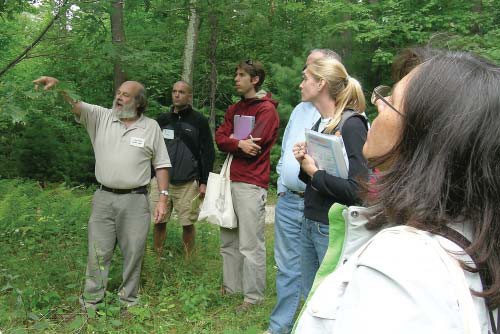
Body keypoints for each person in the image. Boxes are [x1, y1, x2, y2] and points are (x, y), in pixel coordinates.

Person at [294, 50, 500, 333]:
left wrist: (316, 173)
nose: (378, 101)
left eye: (392, 100)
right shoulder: (469, 235)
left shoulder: (402, 268)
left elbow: (355, 188)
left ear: (425, 134)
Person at [32, 76, 171, 309]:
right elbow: (75, 103)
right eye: (118, 92)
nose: (119, 97)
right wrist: (60, 87)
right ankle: (92, 301)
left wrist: (163, 199)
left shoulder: (151, 127)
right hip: (104, 197)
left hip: (136, 199)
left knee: (134, 251)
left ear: (138, 102)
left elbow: (162, 164)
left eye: (125, 95)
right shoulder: (101, 116)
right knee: (98, 251)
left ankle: (129, 300)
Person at [266, 49, 342, 334]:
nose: (302, 80)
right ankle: (280, 327)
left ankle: (312, 326)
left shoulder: (345, 115)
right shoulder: (300, 110)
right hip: (289, 202)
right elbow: (287, 148)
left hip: (320, 207)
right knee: (287, 267)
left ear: (325, 77)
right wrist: (282, 184)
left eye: (308, 72)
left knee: (322, 274)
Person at [293, 58, 368, 298]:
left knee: (329, 301)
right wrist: (304, 164)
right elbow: (315, 181)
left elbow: (358, 190)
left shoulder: (352, 125)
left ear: (321, 83)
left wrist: (315, 172)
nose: (301, 84)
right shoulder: (321, 123)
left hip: (332, 227)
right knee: (309, 298)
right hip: (310, 220)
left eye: (305, 78)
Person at [215, 59, 280, 312]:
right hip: (230, 179)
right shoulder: (234, 108)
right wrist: (237, 143)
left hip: (251, 183)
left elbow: (256, 145)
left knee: (250, 243)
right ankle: (232, 289)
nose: (236, 79)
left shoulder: (266, 110)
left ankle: (252, 297)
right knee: (228, 239)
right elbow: (220, 138)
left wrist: (237, 141)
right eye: (235, 74)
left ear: (255, 80)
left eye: (241, 75)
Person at [150, 80, 215, 258]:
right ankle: (157, 257)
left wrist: (203, 182)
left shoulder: (199, 121)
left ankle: (189, 259)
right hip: (161, 182)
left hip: (188, 182)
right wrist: (150, 176)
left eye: (181, 92)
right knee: (159, 221)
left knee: (187, 223)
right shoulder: (162, 120)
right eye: (174, 91)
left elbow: (208, 152)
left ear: (189, 96)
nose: (177, 95)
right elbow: (151, 149)